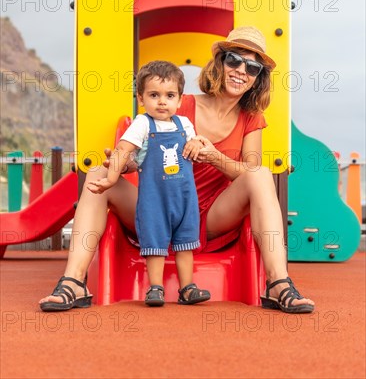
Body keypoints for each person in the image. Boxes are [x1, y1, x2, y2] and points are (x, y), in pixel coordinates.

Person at [39, 26, 315, 314]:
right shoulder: (180, 105)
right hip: (155, 207)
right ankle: (74, 281)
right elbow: (147, 152)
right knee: (96, 173)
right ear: (220, 63)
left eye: (253, 67)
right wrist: (125, 164)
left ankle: (278, 283)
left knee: (260, 173)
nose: (241, 70)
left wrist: (213, 156)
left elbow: (249, 171)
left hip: (208, 216)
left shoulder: (251, 118)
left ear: (258, 78)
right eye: (234, 59)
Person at [87, 60, 210, 307]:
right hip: (154, 201)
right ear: (141, 98)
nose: (162, 101)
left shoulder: (184, 124)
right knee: (155, 244)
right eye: (154, 95)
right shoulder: (142, 124)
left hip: (185, 199)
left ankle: (187, 288)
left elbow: (195, 144)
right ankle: (156, 287)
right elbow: (123, 150)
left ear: (179, 99)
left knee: (186, 243)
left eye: (169, 95)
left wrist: (197, 142)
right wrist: (111, 179)